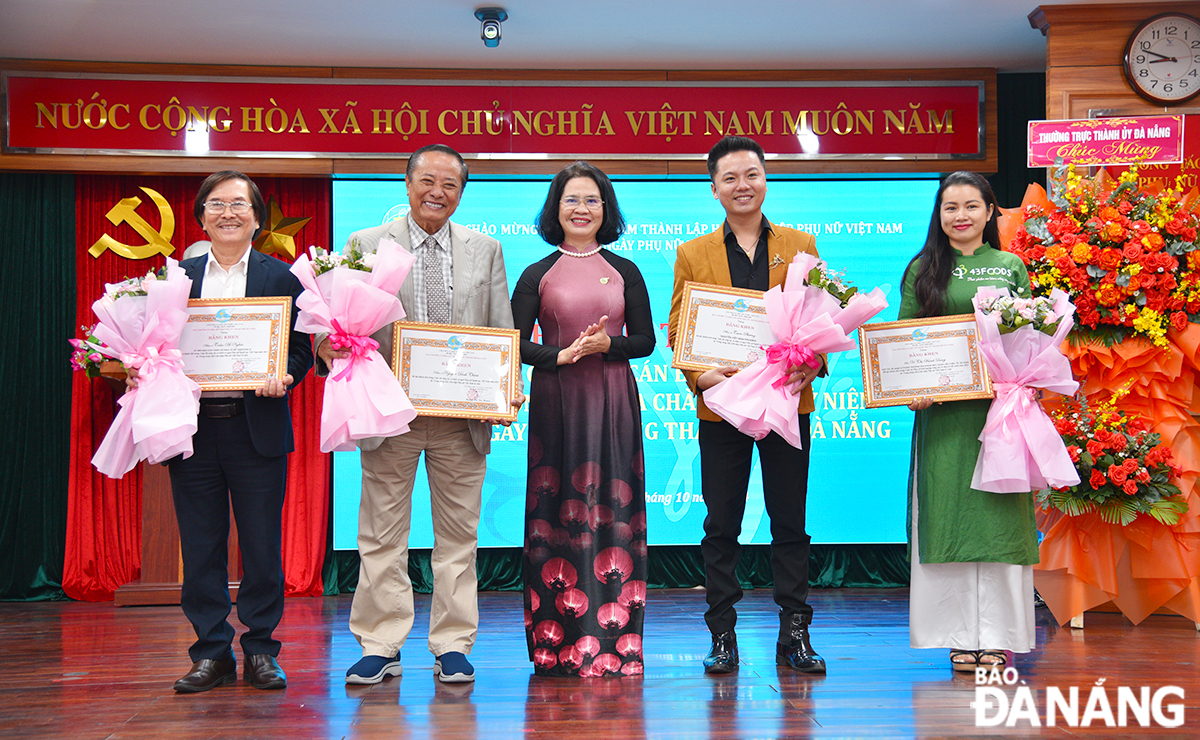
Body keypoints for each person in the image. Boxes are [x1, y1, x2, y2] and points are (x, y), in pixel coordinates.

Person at [316, 144, 521, 685]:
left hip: (461, 420)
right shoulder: (365, 244)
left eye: (450, 184)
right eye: (427, 180)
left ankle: (452, 643)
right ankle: (381, 642)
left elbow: (500, 330)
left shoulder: (487, 249)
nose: (438, 192)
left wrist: (507, 386)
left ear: (461, 193)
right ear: (407, 185)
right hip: (389, 415)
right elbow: (335, 322)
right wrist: (327, 346)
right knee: (383, 534)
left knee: (459, 537)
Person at [668, 136, 826, 675]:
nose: (743, 185)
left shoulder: (801, 245)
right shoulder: (693, 253)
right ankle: (722, 636)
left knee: (791, 521)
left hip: (787, 405)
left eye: (752, 174)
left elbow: (820, 323)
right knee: (721, 523)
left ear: (766, 180)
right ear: (714, 189)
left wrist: (814, 363)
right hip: (723, 409)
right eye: (730, 178)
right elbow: (678, 331)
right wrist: (704, 377)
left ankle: (795, 634)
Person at [163, 170, 313, 692]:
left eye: (239, 205)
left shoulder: (282, 279)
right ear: (201, 215)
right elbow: (154, 343)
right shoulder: (174, 279)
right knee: (200, 546)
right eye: (216, 204)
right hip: (193, 432)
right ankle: (210, 653)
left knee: (261, 546)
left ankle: (260, 651)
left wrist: (288, 373)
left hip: (257, 431)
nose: (228, 213)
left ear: (257, 218)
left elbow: (301, 349)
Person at [511, 161, 654, 677]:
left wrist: (605, 344)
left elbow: (645, 341)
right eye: (571, 199)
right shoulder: (537, 272)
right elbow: (515, 342)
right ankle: (556, 645)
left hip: (613, 398)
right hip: (556, 399)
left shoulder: (626, 271)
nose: (581, 209)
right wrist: (560, 356)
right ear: (555, 209)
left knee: (616, 513)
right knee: (557, 514)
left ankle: (618, 648)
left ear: (605, 209)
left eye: (592, 200)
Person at [899, 171, 1037, 672]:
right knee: (949, 519)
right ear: (938, 216)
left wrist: (1028, 375)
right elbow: (905, 341)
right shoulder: (923, 270)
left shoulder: (1011, 266)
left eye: (971, 206)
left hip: (1001, 414)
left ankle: (999, 635)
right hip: (945, 421)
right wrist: (912, 389)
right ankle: (957, 635)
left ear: (990, 211)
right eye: (950, 207)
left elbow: (1032, 335)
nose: (960, 216)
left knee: (999, 519)